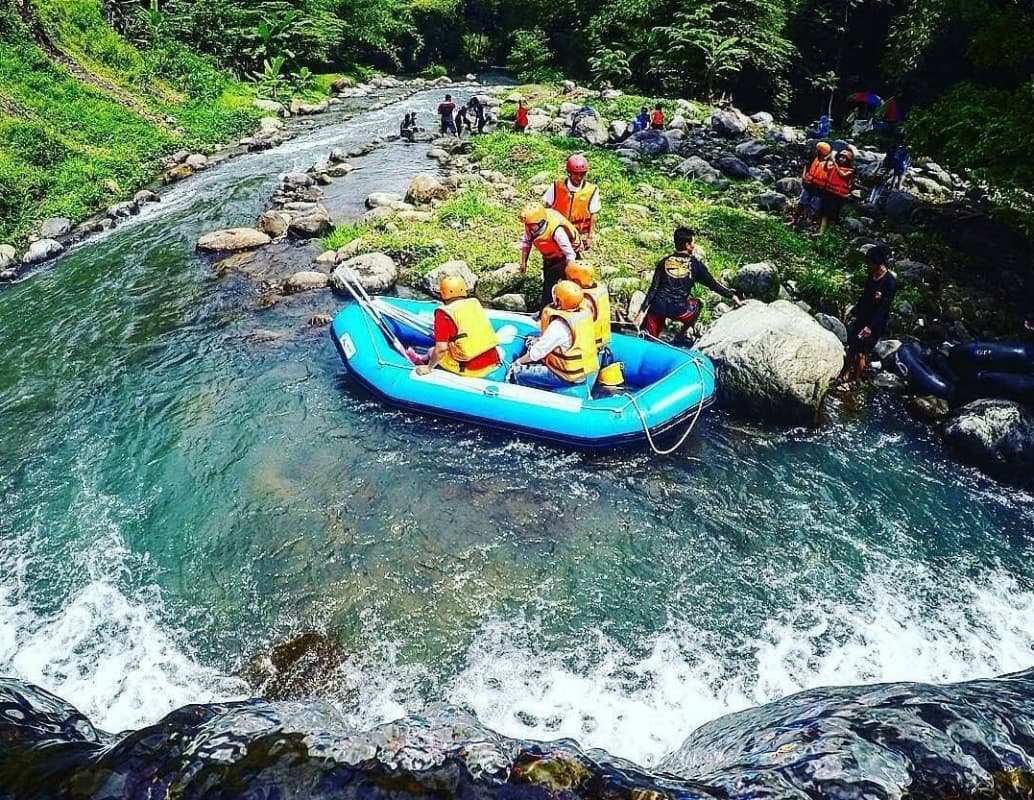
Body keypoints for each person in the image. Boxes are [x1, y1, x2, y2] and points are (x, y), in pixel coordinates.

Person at [636, 227, 743, 340]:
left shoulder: (663, 262)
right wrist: (732, 296)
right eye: (693, 243)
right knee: (697, 304)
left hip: (658, 307)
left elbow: (653, 289)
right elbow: (713, 285)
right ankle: (680, 337)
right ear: (687, 245)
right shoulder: (695, 265)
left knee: (647, 336)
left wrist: (641, 312)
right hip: (679, 310)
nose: (694, 246)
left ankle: (651, 337)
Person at [509, 280, 599, 390]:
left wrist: (517, 362)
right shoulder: (583, 316)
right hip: (581, 372)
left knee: (518, 372)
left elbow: (535, 354)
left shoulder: (558, 326)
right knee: (533, 344)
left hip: (564, 377)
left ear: (559, 301)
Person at [414, 275, 501, 378]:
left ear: (442, 294)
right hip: (493, 360)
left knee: (431, 351)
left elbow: (441, 348)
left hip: (471, 368)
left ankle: (423, 360)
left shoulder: (443, 314)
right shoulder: (474, 303)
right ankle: (421, 357)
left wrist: (429, 368)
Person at [836, 244, 896, 386]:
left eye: (870, 262)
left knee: (861, 354)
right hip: (863, 316)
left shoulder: (889, 282)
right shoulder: (871, 275)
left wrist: (870, 327)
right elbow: (864, 296)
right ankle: (844, 374)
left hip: (875, 323)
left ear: (878, 263)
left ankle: (853, 380)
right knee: (852, 347)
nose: (867, 265)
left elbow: (883, 309)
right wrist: (854, 311)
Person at [519, 203, 580, 312]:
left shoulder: (556, 231)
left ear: (541, 222)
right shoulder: (530, 227)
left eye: (531, 225)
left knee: (570, 288)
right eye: (527, 225)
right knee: (548, 288)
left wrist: (570, 270)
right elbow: (526, 243)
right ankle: (544, 313)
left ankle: (572, 310)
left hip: (565, 258)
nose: (529, 227)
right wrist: (523, 263)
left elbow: (569, 252)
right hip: (550, 260)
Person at [542, 154, 601, 251]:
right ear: (569, 173)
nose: (579, 177)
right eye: (576, 174)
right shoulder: (557, 186)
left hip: (577, 235)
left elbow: (593, 214)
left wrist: (590, 236)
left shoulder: (591, 190)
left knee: (574, 263)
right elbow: (547, 208)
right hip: (557, 232)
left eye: (582, 174)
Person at [565, 261, 612, 363]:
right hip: (603, 343)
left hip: (588, 351)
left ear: (576, 281)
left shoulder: (584, 300)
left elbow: (575, 327)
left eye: (569, 279)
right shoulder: (598, 289)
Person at [791, 141, 833, 228]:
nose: (815, 151)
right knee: (802, 202)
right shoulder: (814, 158)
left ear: (821, 151)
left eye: (817, 150)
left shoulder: (829, 164)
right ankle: (794, 220)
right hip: (809, 185)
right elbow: (807, 166)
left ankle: (811, 224)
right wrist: (804, 177)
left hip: (819, 189)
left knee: (815, 207)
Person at [817, 148, 855, 236]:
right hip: (829, 192)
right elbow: (826, 169)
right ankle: (821, 232)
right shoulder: (834, 166)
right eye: (841, 157)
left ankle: (829, 234)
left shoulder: (850, 170)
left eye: (844, 158)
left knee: (834, 215)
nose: (841, 159)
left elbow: (842, 175)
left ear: (848, 160)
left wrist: (834, 163)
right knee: (825, 213)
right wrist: (828, 159)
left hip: (839, 195)